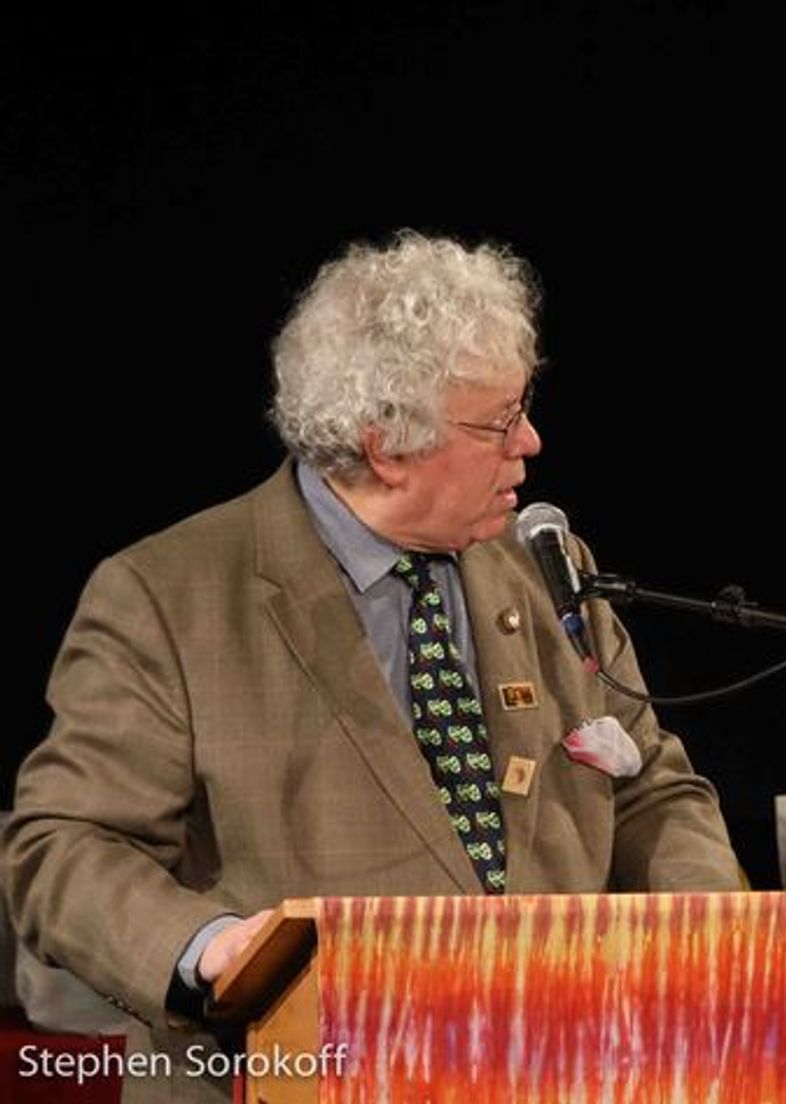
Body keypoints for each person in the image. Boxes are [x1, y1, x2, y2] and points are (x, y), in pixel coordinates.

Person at [3, 230, 741, 1101]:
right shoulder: (168, 597)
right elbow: (62, 845)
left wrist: (717, 939)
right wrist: (211, 949)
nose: (532, 442)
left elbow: (651, 787)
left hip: (562, 1073)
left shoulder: (546, 567)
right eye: (499, 422)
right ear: (387, 445)